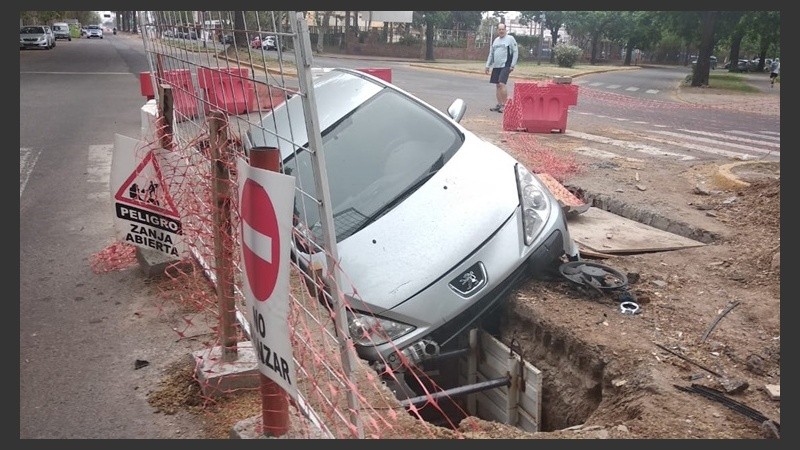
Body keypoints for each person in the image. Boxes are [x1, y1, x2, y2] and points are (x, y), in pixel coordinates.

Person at [484, 23, 518, 113]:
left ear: (506, 30)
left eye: (503, 29)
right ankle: (499, 104)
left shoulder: (510, 39)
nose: (501, 31)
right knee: (497, 85)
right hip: (496, 66)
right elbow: (491, 54)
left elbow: (515, 52)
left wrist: (513, 64)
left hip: (506, 65)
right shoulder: (495, 41)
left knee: (502, 83)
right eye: (499, 29)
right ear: (497, 30)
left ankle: (505, 106)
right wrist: (487, 65)